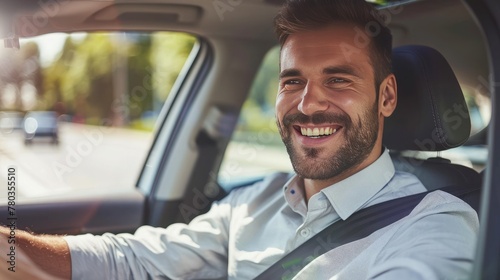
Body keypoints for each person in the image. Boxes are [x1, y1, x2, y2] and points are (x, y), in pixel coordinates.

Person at [0, 0, 478, 279]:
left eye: (339, 80)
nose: (308, 104)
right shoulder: (255, 200)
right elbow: (135, 260)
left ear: (387, 96)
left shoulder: (438, 224)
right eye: (293, 81)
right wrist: (9, 249)